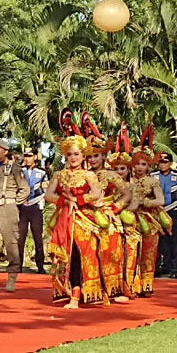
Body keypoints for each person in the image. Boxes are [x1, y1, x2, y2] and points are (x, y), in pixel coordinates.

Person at [45, 130, 103, 309]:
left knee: (82, 256)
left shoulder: (89, 175)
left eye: (76, 154)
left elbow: (96, 194)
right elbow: (48, 195)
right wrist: (65, 201)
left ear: (82, 155)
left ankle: (79, 295)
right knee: (64, 257)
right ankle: (67, 292)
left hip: (84, 218)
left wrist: (77, 201)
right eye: (69, 154)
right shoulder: (58, 175)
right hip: (64, 218)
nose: (73, 157)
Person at [83, 123, 132, 302]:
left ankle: (114, 291)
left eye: (96, 156)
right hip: (87, 217)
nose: (92, 160)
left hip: (108, 217)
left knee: (111, 253)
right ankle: (92, 290)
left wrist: (114, 208)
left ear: (103, 156)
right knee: (90, 255)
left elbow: (127, 194)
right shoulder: (84, 174)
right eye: (90, 157)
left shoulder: (112, 175)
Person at [0, 137, 29, 293]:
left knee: (11, 243)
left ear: (6, 151)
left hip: (7, 208)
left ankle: (12, 278)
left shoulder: (14, 168)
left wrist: (13, 203)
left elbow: (24, 190)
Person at [130, 135, 168, 296]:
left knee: (148, 253)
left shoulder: (153, 182)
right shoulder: (127, 180)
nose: (140, 167)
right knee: (132, 254)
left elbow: (160, 200)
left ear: (148, 166)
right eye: (137, 163)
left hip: (148, 220)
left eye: (143, 164)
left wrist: (143, 202)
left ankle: (146, 285)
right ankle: (131, 285)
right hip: (130, 219)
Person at [108, 144, 142, 298]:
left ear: (128, 170)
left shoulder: (132, 186)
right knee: (114, 257)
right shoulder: (109, 187)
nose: (119, 172)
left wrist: (119, 212)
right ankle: (113, 288)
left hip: (129, 225)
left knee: (129, 256)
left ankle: (128, 289)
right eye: (115, 169)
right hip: (111, 224)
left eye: (122, 169)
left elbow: (134, 204)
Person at [152, 153, 177, 278]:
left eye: (165, 162)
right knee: (158, 240)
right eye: (161, 162)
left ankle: (174, 268)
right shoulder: (153, 175)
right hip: (156, 211)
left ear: (171, 163)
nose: (163, 164)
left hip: (172, 210)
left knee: (174, 240)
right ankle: (157, 267)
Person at [18, 148, 47, 274]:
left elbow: (46, 189)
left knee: (37, 237)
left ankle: (40, 265)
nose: (27, 158)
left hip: (35, 207)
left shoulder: (42, 172)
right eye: (25, 156)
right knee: (20, 237)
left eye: (30, 156)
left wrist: (38, 196)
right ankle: (17, 265)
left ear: (35, 157)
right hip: (22, 207)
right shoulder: (19, 171)